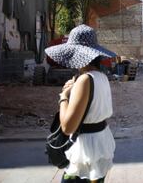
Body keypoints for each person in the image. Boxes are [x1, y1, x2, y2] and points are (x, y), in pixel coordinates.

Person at [45, 24, 116, 183]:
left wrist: (64, 97)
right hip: (100, 144)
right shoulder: (101, 77)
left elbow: (68, 127)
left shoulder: (85, 79)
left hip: (84, 150)